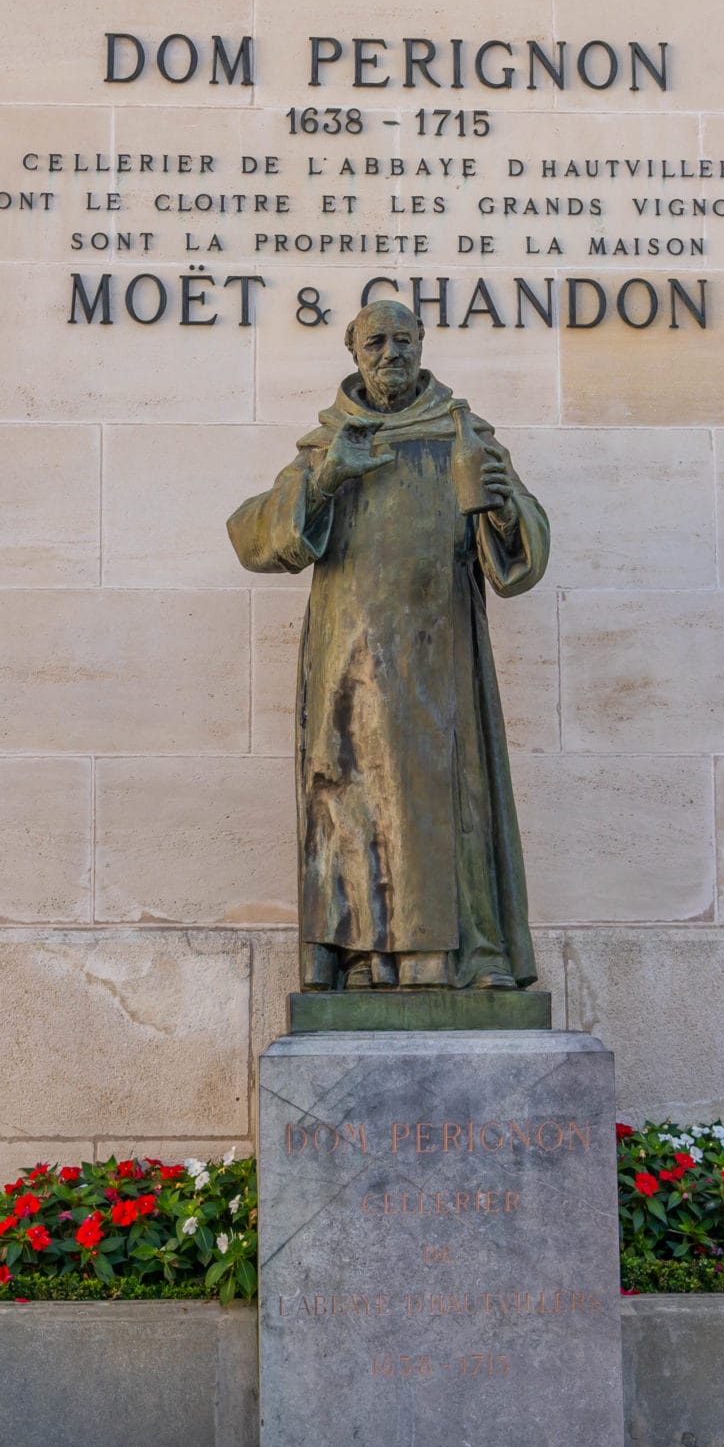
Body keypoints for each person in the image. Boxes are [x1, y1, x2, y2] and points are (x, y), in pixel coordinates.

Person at [226, 297, 549, 993]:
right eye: (376, 342)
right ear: (353, 350)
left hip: (442, 658)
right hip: (351, 663)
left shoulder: (462, 433)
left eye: (403, 340)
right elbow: (252, 536)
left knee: (449, 802)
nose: (390, 355)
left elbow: (523, 546)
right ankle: (366, 960)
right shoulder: (330, 443)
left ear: (423, 344)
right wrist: (325, 479)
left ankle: (468, 957)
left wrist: (499, 507)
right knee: (357, 809)